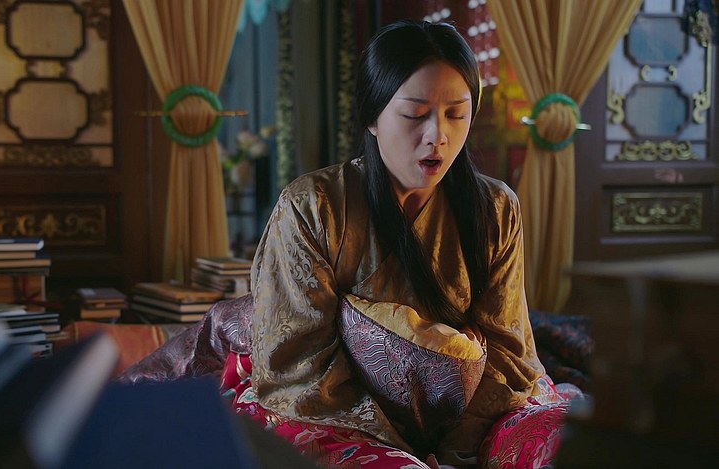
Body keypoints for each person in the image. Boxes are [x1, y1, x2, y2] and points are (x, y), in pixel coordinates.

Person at [122, 20, 564, 468]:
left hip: (472, 416)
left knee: (562, 443)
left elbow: (507, 351)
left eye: (457, 114)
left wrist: (458, 452)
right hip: (331, 412)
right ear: (372, 118)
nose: (438, 135)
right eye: (415, 115)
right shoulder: (313, 207)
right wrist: (405, 451)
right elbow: (298, 366)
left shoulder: (495, 208)